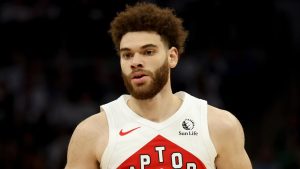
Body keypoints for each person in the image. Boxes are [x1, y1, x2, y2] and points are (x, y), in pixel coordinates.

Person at [65, 2, 252, 169]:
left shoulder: (219, 125)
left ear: (172, 57)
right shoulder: (91, 132)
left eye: (148, 52)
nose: (135, 62)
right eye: (127, 55)